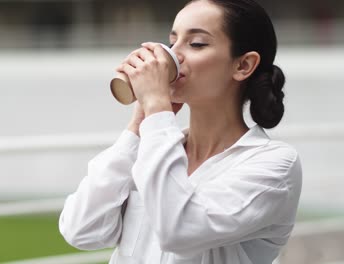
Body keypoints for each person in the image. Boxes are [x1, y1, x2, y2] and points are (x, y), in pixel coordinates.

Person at [59, 0, 302, 263]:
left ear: (243, 65)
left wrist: (156, 107)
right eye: (173, 42)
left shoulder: (274, 165)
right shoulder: (152, 144)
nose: (173, 55)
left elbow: (178, 229)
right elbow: (81, 230)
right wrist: (138, 127)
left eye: (196, 43)